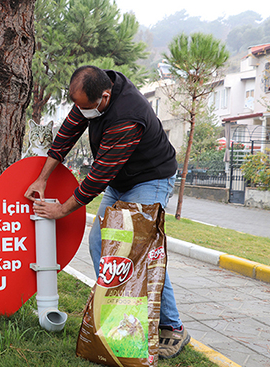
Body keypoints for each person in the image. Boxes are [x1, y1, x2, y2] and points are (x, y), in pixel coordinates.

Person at [24, 65, 189, 359]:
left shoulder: (128, 116)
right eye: (76, 104)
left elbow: (98, 177)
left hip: (149, 179)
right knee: (101, 244)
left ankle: (172, 327)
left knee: (139, 251)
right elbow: (66, 134)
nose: (80, 111)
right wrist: (42, 177)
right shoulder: (90, 98)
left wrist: (61, 209)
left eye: (84, 107)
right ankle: (121, 315)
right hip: (121, 179)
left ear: (105, 96)